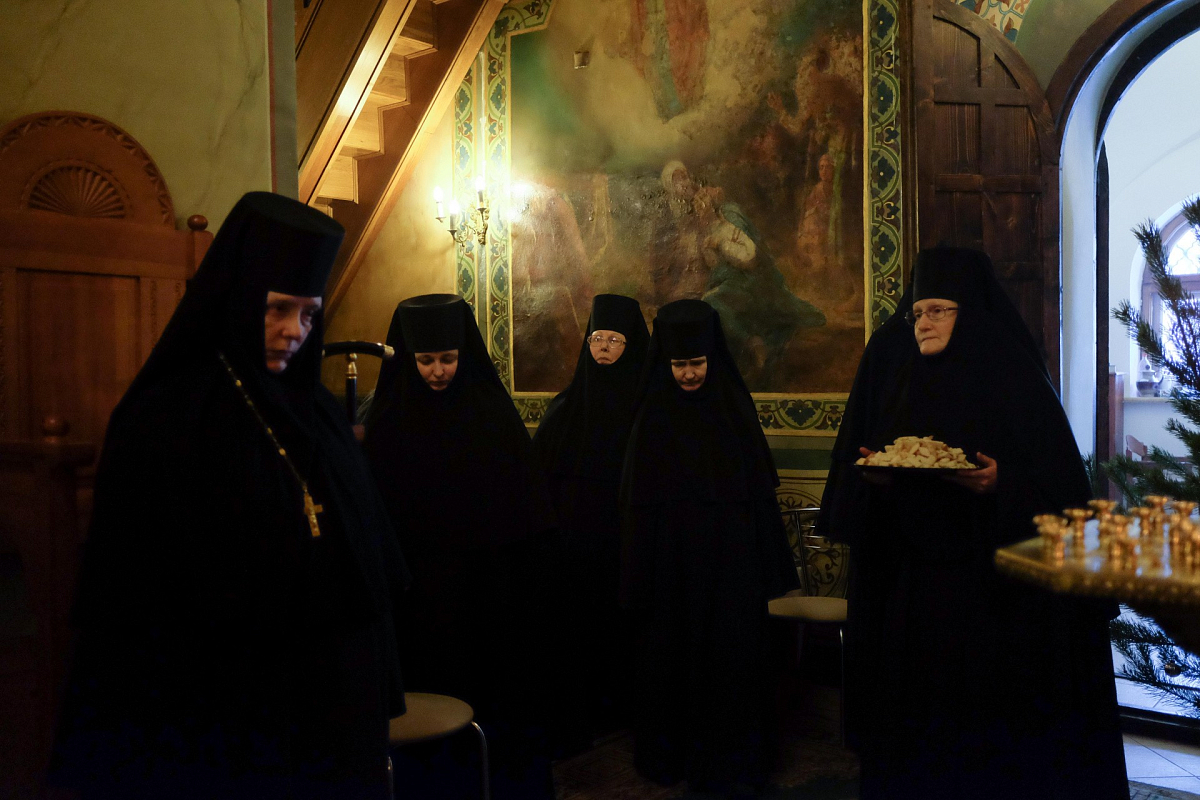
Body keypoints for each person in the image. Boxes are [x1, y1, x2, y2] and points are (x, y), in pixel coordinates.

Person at [48, 192, 410, 800]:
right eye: (278, 310)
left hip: (326, 698)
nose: (294, 332)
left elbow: (366, 559)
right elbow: (141, 603)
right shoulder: (167, 417)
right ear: (241, 299)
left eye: (309, 315)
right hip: (223, 698)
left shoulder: (320, 414)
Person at [817, 247, 1129, 799]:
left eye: (939, 310)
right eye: (918, 313)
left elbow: (1058, 487)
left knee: (991, 731)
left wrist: (1002, 483)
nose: (924, 323)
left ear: (969, 314)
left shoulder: (1011, 370)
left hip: (995, 592)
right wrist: (878, 478)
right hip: (912, 585)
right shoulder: (893, 365)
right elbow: (859, 464)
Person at [362, 293, 557, 800]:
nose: (437, 371)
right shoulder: (387, 419)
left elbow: (524, 508)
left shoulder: (492, 414)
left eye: (448, 359)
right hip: (417, 596)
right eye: (425, 360)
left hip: (485, 591)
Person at [619, 298, 800, 798]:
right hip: (669, 571)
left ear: (712, 358)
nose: (688, 374)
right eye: (679, 364)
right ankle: (672, 756)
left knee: (730, 662)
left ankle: (732, 760)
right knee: (669, 658)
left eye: (696, 363)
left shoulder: (733, 408)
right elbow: (637, 510)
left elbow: (758, 502)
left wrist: (763, 569)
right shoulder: (651, 417)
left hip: (729, 569)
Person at [531, 293, 650, 753]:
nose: (603, 347)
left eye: (615, 340)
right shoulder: (568, 405)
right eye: (597, 337)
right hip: (575, 544)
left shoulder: (646, 408)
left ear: (631, 345)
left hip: (626, 540)